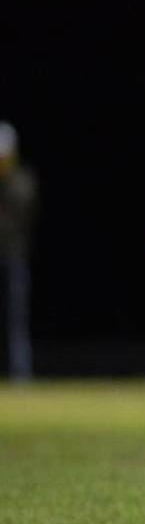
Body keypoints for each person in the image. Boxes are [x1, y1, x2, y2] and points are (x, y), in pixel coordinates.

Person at [0, 121, 35, 381]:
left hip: (13, 257)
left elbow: (24, 213)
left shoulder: (21, 181)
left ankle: (20, 375)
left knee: (16, 320)